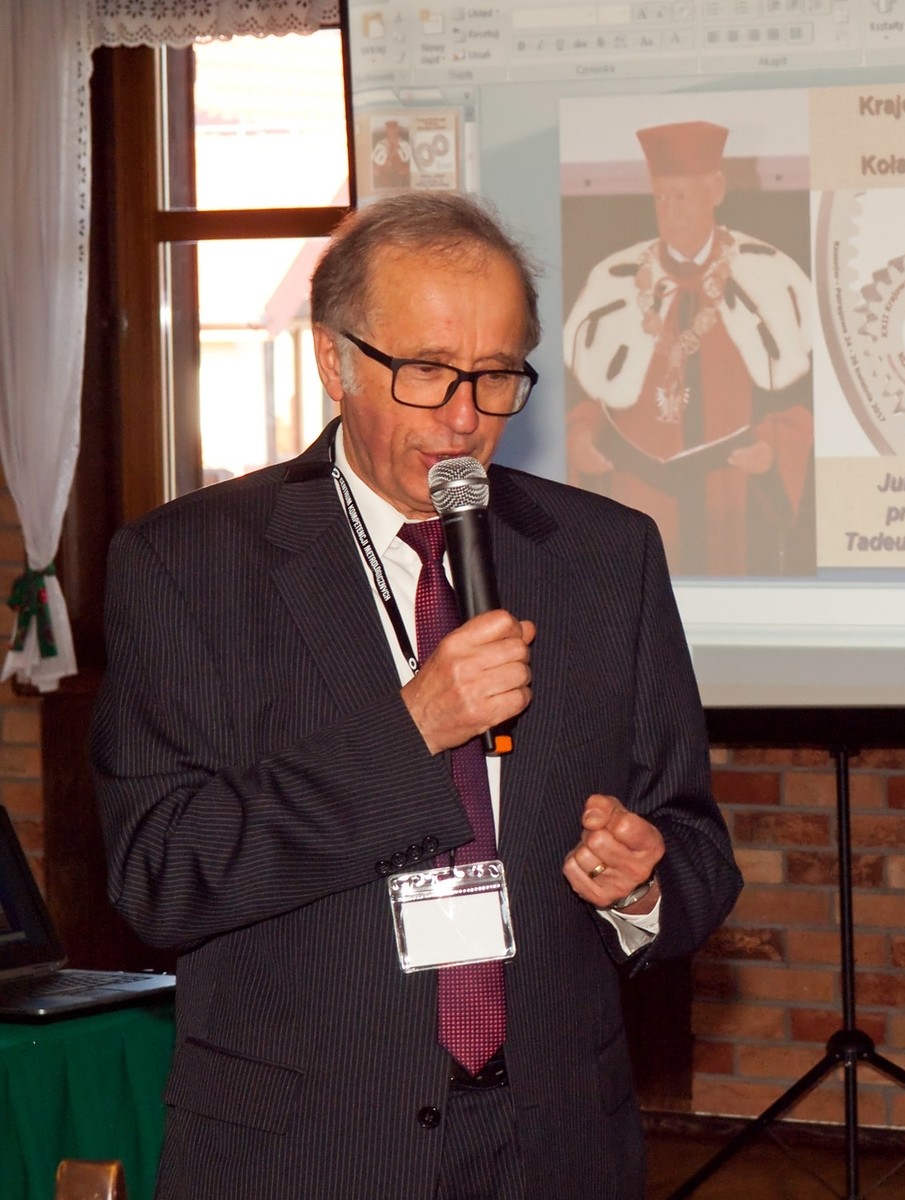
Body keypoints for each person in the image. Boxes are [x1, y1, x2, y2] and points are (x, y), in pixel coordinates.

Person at [90, 192, 742, 1200]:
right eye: (428, 371)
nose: (464, 417)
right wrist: (412, 731)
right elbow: (161, 875)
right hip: (306, 1149)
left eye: (495, 375)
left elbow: (694, 844)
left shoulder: (607, 557)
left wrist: (643, 888)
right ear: (334, 362)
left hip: (557, 1139)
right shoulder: (188, 565)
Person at [564, 119, 814, 577]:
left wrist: (773, 450)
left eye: (681, 196)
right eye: (661, 197)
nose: (670, 211)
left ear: (715, 190)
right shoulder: (613, 283)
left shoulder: (770, 280)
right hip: (636, 492)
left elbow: (799, 406)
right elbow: (584, 399)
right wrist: (578, 440)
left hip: (730, 491)